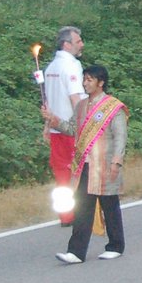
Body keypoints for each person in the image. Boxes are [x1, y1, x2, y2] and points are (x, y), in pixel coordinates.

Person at [45, 64, 127, 263]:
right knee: (82, 207)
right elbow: (72, 129)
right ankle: (76, 251)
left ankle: (116, 245)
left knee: (110, 206)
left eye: (90, 80)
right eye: (85, 79)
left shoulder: (113, 107)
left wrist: (116, 162)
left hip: (105, 164)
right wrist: (54, 120)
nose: (85, 83)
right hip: (84, 164)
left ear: (101, 83)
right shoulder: (81, 106)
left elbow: (120, 136)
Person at [41, 26, 85, 225]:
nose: (81, 44)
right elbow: (75, 97)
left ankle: (65, 214)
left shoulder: (50, 68)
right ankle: (82, 211)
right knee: (79, 169)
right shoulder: (71, 65)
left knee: (61, 173)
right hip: (70, 127)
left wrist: (46, 126)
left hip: (55, 127)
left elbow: (47, 101)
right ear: (67, 45)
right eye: (78, 41)